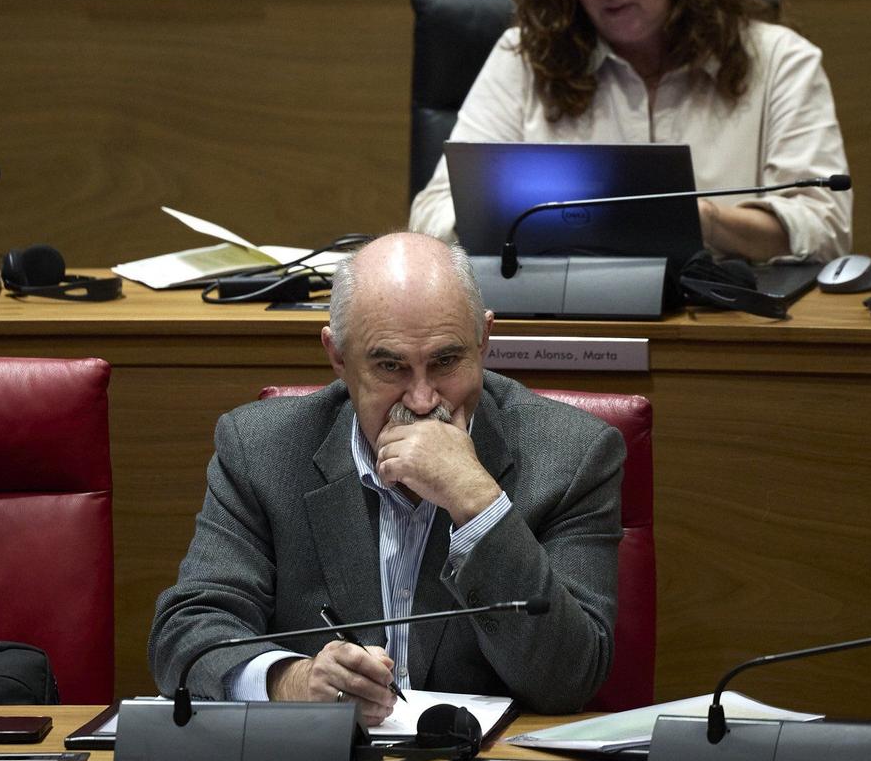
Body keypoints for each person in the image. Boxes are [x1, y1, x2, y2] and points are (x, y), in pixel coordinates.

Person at [149, 232, 622, 720]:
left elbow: (570, 680)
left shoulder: (571, 456)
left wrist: (479, 504)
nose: (422, 400)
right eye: (391, 366)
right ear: (338, 357)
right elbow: (187, 633)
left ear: (483, 342)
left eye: (446, 361)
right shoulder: (262, 450)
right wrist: (290, 681)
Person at [409, 0, 852, 265]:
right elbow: (432, 217)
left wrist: (699, 220)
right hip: (567, 321)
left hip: (725, 320)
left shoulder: (780, 61)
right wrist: (547, 220)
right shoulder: (523, 59)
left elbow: (824, 226)